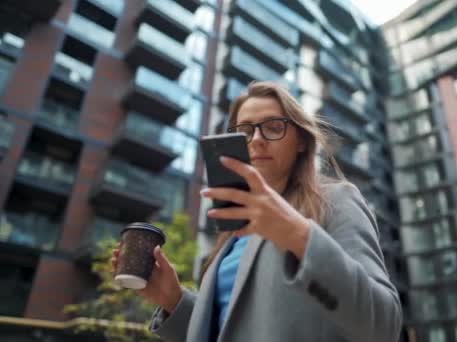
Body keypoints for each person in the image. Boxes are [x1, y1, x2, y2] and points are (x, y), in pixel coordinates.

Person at [111, 81, 403, 342]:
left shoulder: (334, 200)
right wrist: (173, 299)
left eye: (274, 127)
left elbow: (384, 325)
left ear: (301, 141)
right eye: (245, 131)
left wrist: (297, 235)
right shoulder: (233, 232)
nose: (257, 139)